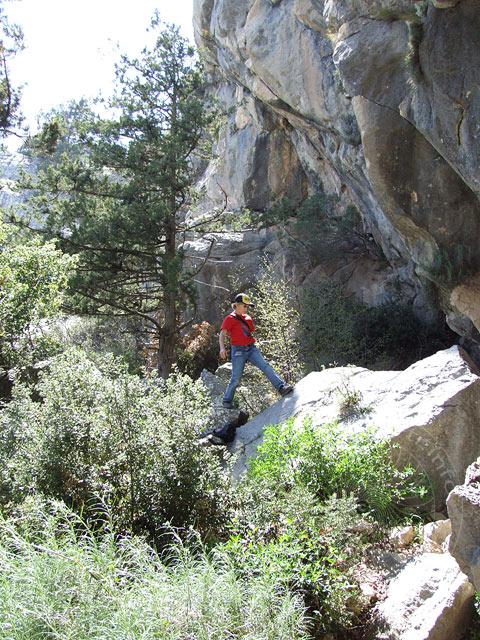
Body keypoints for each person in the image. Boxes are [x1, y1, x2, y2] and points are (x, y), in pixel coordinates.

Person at [219, 292, 293, 409]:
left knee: (265, 366)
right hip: (238, 351)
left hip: (251, 348)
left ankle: (281, 387)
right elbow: (222, 334)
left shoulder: (248, 318)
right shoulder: (229, 319)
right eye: (244, 306)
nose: (246, 309)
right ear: (236, 305)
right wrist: (222, 348)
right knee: (236, 377)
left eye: (248, 306)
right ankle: (227, 400)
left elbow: (249, 332)